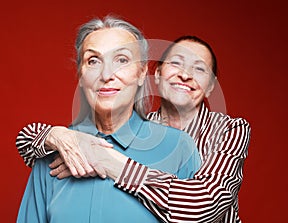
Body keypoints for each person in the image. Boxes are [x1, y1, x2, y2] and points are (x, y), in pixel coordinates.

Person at [16, 35, 251, 222]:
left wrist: (106, 160)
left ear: (210, 87)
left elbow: (203, 205)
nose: (185, 74)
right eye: (176, 64)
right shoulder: (133, 129)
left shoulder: (229, 130)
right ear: (155, 75)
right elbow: (30, 148)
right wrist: (56, 135)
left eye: (199, 69)